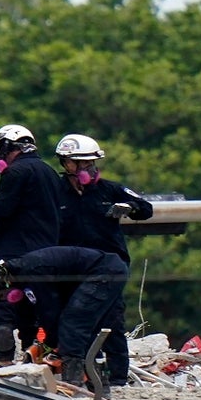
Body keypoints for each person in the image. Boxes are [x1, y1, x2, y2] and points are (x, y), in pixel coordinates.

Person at [54, 133, 153, 386]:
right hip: (72, 267)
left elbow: (146, 208)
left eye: (85, 163)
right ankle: (88, 373)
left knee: (112, 322)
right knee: (77, 321)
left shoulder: (111, 190)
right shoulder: (55, 192)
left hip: (109, 267)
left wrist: (130, 208)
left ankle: (118, 378)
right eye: (74, 163)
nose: (80, 169)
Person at [0, 245, 129, 387]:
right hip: (105, 270)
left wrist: (52, 345)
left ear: (1, 282)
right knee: (97, 324)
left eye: (0, 294)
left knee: (74, 323)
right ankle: (106, 380)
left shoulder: (35, 272)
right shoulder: (20, 274)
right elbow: (27, 316)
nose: (3, 298)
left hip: (105, 272)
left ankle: (73, 383)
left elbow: (51, 314)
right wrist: (30, 346)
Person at [0, 123, 63, 364]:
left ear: (7, 147)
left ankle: (1, 358)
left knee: (0, 309)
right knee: (30, 311)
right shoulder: (51, 173)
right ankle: (32, 361)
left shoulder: (15, 172)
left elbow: (3, 208)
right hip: (46, 253)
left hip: (14, 254)